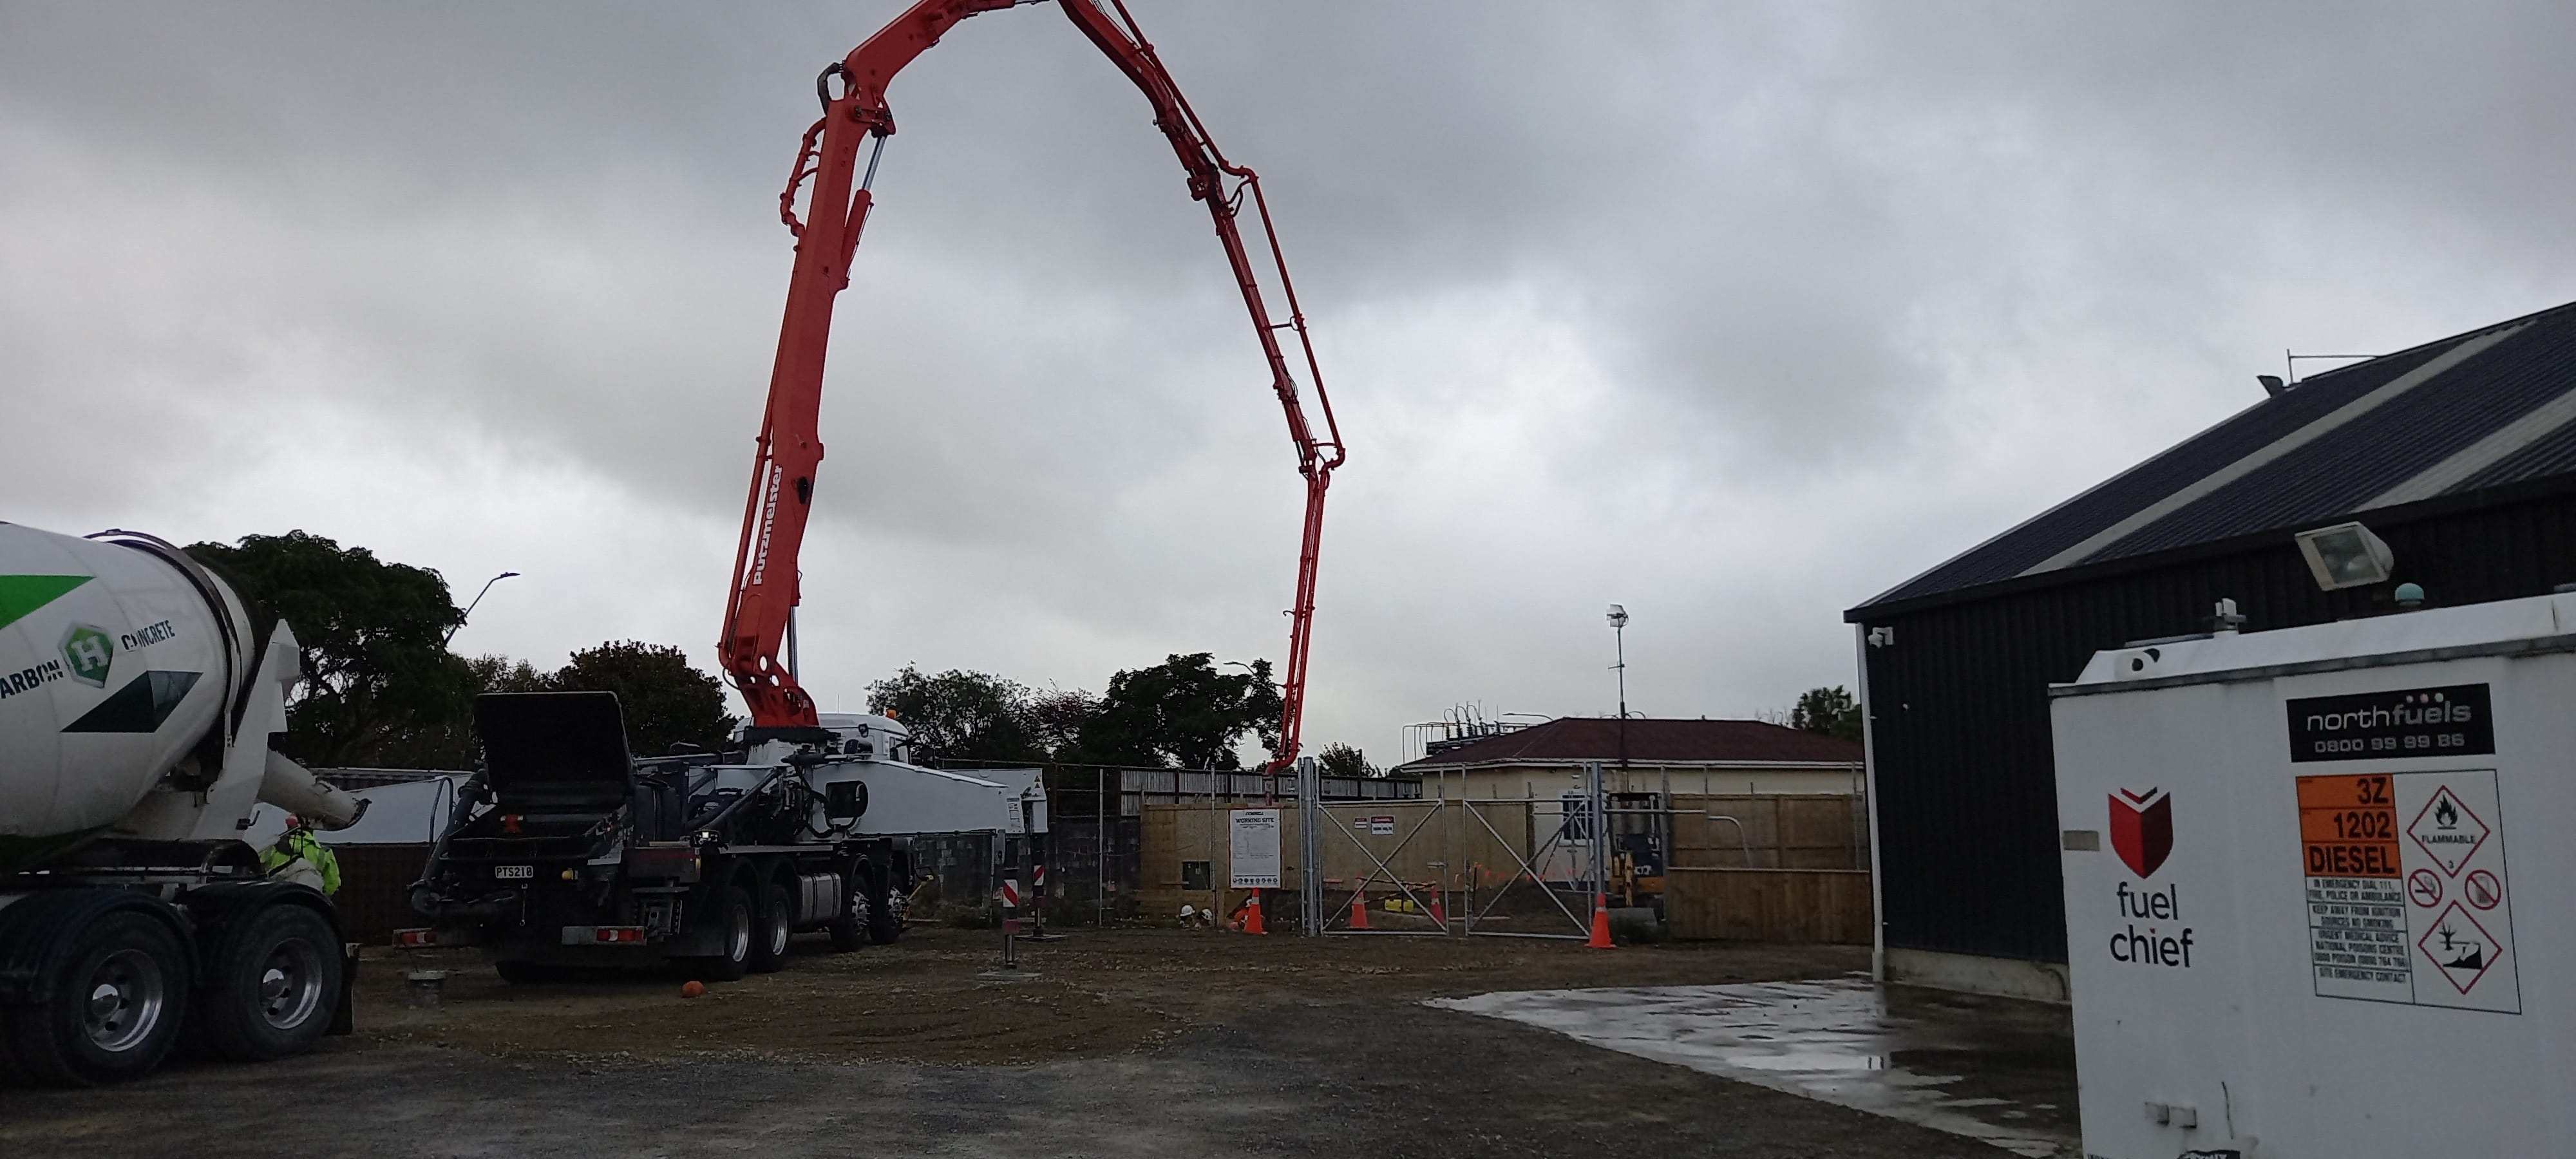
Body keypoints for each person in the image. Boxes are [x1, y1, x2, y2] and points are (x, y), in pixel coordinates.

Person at [261, 814, 341, 896]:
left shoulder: (271, 848)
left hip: (275, 899)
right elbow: (332, 884)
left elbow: (255, 870)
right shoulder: (324, 853)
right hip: (306, 902)